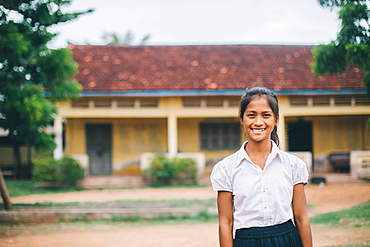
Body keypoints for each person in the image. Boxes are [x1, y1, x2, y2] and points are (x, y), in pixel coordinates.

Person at [210, 87, 312, 247]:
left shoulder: (293, 165)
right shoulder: (226, 168)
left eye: (266, 115)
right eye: (251, 115)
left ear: (276, 119)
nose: (258, 122)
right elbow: (226, 222)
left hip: (287, 240)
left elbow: (301, 217)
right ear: (241, 119)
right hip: (246, 241)